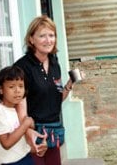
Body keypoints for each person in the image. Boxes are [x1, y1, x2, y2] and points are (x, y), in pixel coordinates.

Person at [14, 15, 73, 165]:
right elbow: (19, 106)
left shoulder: (54, 63)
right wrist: (28, 133)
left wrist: (69, 84)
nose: (48, 40)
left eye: (51, 35)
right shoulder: (22, 67)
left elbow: (55, 99)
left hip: (54, 132)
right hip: (34, 132)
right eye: (42, 36)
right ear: (31, 39)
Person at [0, 65, 47, 165]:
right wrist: (26, 124)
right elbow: (7, 143)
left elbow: (22, 143)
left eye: (21, 86)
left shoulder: (17, 109)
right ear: (1, 89)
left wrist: (40, 146)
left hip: (25, 158)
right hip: (9, 162)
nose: (17, 90)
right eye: (11, 87)